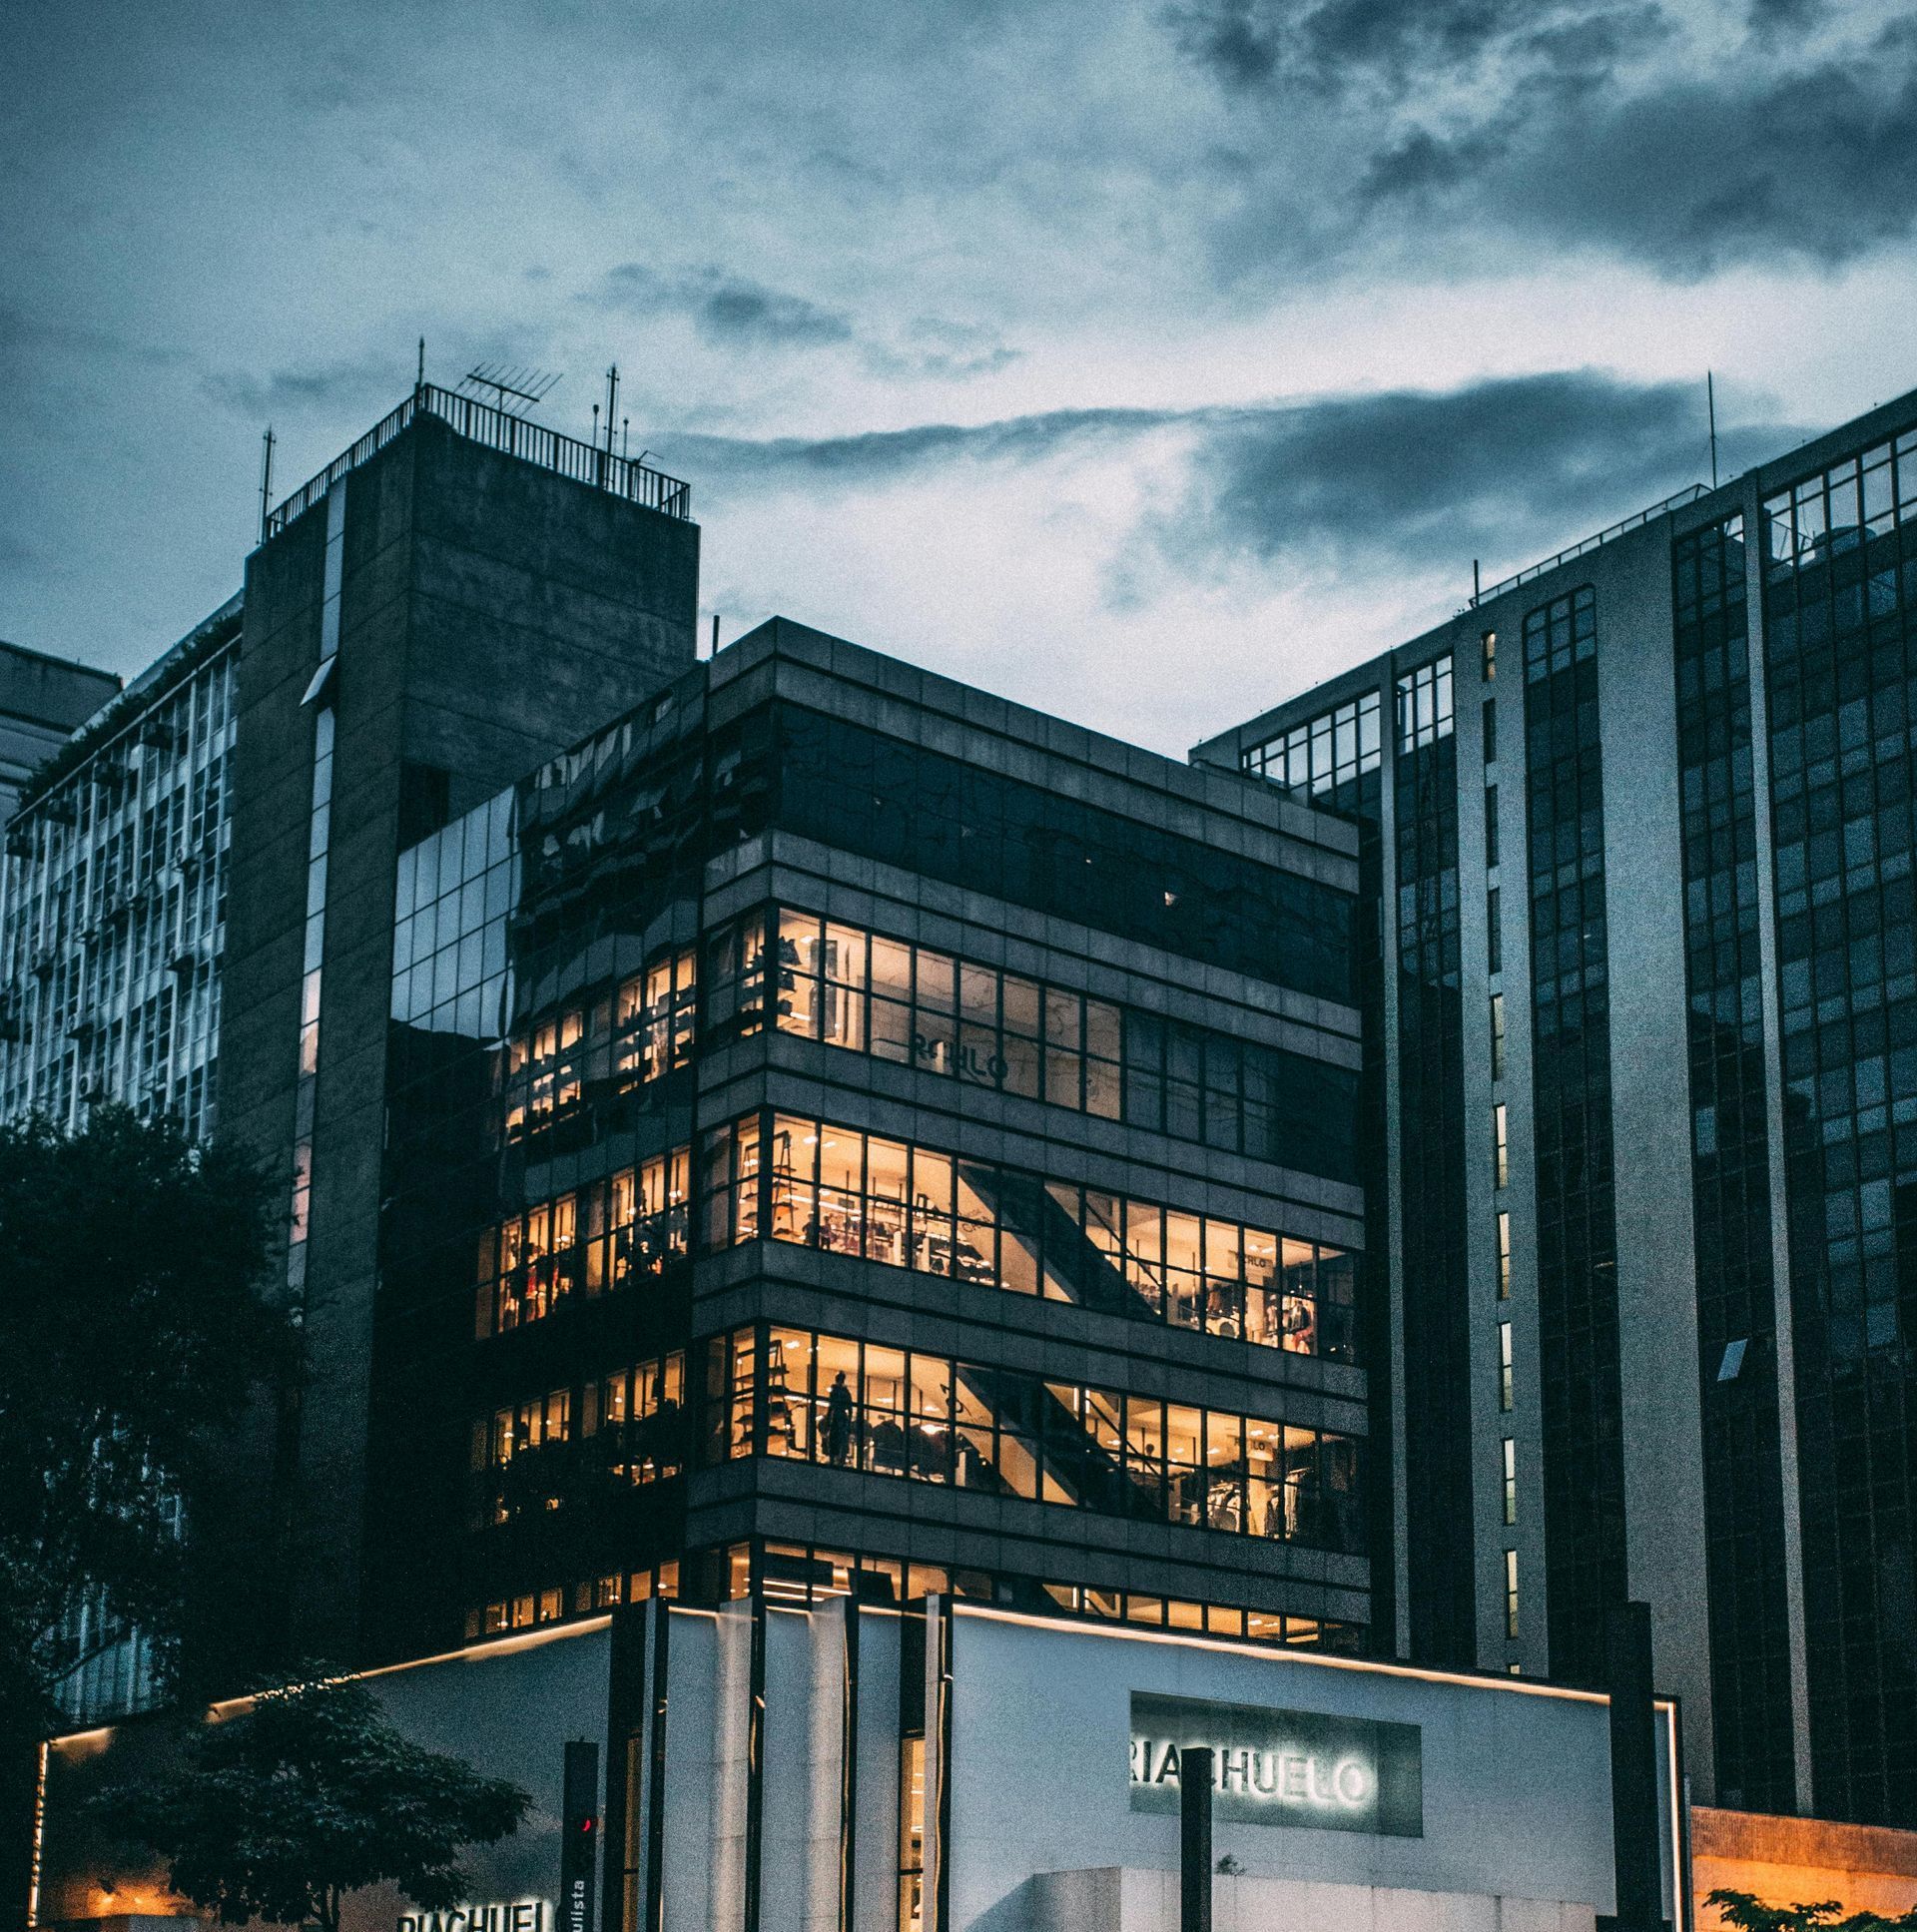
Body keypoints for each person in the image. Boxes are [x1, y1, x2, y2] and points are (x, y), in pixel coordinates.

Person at [825, 1370, 855, 1466]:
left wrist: (828, 1419)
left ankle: (834, 1459)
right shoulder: (845, 1392)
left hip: (837, 1417)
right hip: (841, 1417)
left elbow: (831, 1406)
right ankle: (839, 1459)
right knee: (840, 1439)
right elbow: (850, 1409)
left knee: (835, 1439)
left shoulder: (836, 1391)